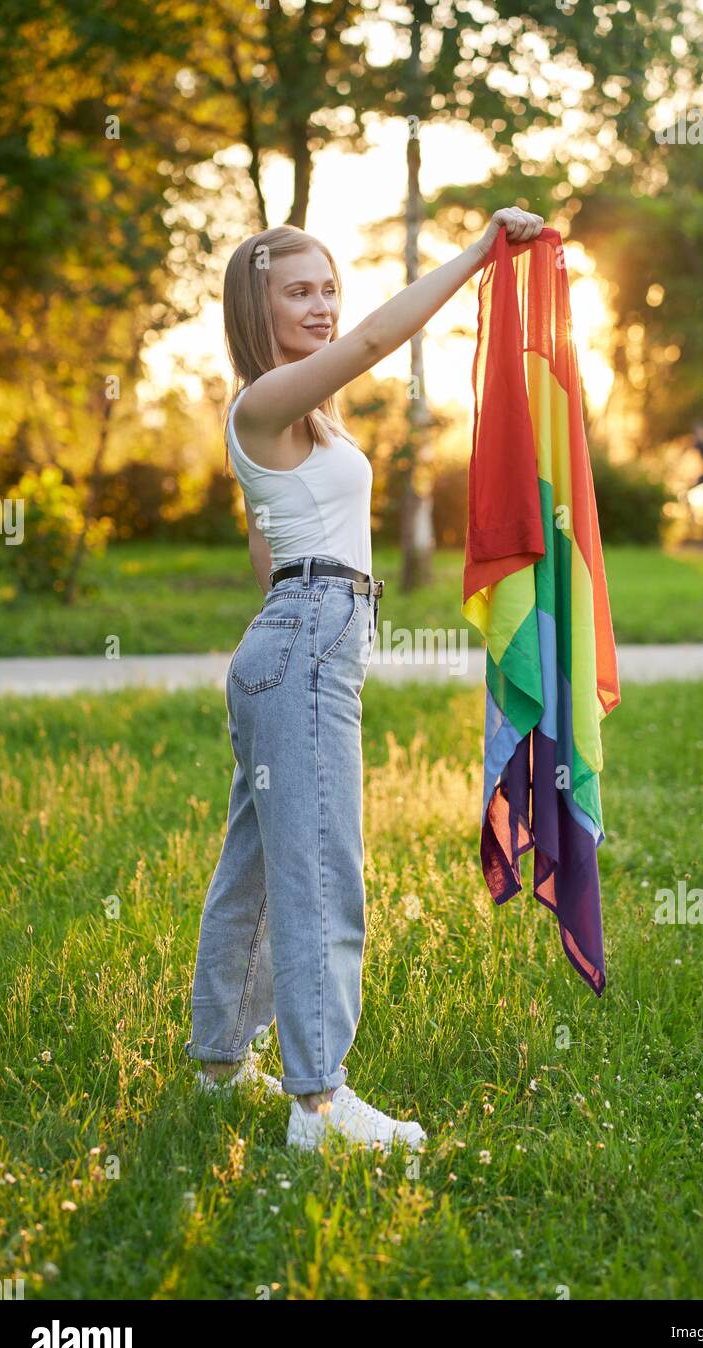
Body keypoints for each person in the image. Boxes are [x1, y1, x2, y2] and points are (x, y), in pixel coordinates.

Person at [184, 204, 545, 1153]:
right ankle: (319, 1104)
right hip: (303, 646)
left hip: (293, 640)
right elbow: (386, 334)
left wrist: (301, 639)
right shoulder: (261, 405)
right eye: (298, 291)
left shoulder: (301, 424)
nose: (324, 305)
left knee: (259, 865)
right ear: (253, 311)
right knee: (319, 868)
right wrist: (479, 255)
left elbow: (268, 556)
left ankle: (221, 1063)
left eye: (328, 288)